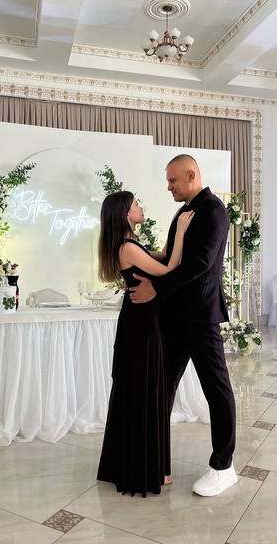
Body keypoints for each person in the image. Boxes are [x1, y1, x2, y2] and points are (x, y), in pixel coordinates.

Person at [129, 154, 237, 497]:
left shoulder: (214, 210)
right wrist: (129, 254)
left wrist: (157, 288)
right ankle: (155, 459)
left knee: (216, 389)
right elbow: (170, 257)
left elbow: (201, 262)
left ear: (191, 175)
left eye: (173, 180)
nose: (169, 187)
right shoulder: (183, 212)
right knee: (162, 386)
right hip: (175, 314)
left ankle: (224, 467)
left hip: (201, 316)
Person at [96, 190, 194, 497]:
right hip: (141, 322)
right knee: (144, 385)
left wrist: (175, 226)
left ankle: (137, 462)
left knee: (140, 385)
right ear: (126, 214)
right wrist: (181, 232)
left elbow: (162, 255)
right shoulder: (127, 247)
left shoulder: (130, 244)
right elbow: (168, 270)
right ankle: (146, 467)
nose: (141, 207)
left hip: (140, 318)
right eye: (136, 204)